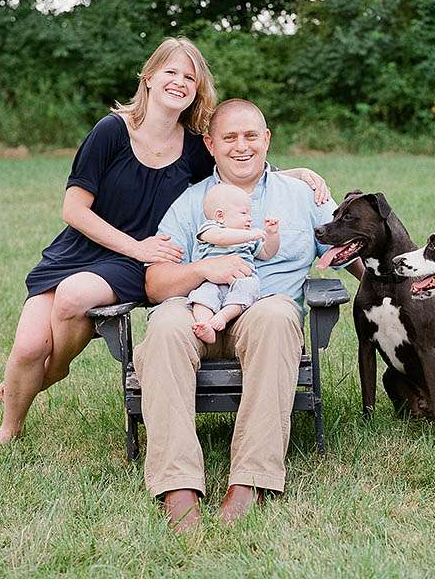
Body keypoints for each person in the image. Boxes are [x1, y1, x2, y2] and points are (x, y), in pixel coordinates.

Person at [0, 38, 330, 453]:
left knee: (72, 300)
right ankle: (10, 426)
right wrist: (136, 247)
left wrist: (295, 173)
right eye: (171, 72)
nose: (179, 82)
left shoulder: (194, 145)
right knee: (29, 345)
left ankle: (52, 372)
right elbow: (73, 209)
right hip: (86, 246)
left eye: (189, 77)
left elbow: (237, 163)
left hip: (138, 260)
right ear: (148, 77)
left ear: (198, 89)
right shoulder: (111, 131)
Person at [136, 98, 367, 532]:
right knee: (165, 324)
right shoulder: (191, 203)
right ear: (210, 144)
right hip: (198, 310)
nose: (241, 146)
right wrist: (204, 268)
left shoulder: (302, 195)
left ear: (267, 139)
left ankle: (250, 481)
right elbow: (155, 283)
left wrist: (417, 293)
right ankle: (178, 485)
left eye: (250, 136)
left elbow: (356, 253)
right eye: (229, 137)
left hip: (262, 312)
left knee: (278, 316)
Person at [187, 184, 280, 344]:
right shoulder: (210, 228)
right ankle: (205, 324)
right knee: (202, 297)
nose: (250, 218)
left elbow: (267, 253)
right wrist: (249, 235)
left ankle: (224, 316)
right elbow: (221, 238)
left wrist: (272, 235)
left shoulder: (247, 239)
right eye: (244, 213)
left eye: (250, 213)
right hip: (211, 282)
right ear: (220, 216)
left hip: (240, 281)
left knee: (249, 287)